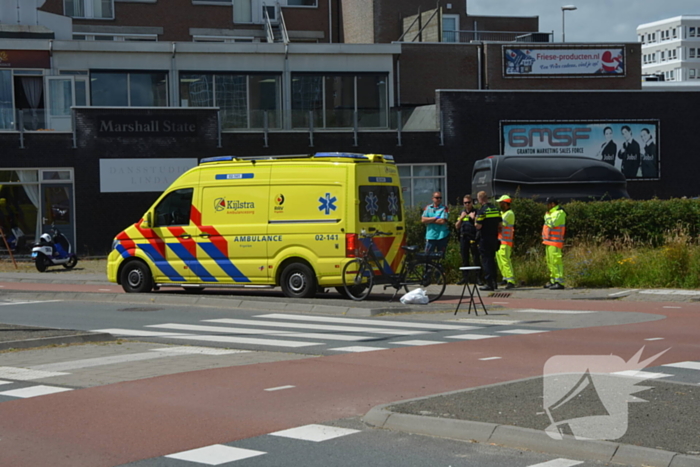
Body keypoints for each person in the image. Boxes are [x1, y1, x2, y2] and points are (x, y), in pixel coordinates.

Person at [475, 191, 502, 291]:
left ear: (480, 199)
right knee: (492, 260)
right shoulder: (496, 209)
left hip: (484, 238)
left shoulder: (482, 211)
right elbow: (500, 225)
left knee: (486, 261)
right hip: (494, 237)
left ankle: (489, 283)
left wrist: (475, 219)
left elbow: (478, 225)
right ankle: (494, 283)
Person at [455, 194, 482, 286]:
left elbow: (478, 225)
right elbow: (456, 226)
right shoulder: (461, 212)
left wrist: (473, 218)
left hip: (473, 237)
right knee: (464, 258)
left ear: (472, 202)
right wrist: (461, 218)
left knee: (475, 258)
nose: (467, 204)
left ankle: (478, 278)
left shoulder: (476, 211)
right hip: (463, 237)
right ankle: (465, 278)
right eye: (465, 203)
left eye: (468, 202)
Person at [542, 197, 567, 290]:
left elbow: (552, 223)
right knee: (550, 262)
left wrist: (546, 217)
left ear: (552, 204)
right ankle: (553, 280)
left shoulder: (559, 213)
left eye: (548, 204)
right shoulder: (551, 213)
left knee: (556, 262)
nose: (546, 206)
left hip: (555, 242)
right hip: (549, 241)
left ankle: (559, 282)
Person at [495, 195, 515, 289]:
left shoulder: (509, 214)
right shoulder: (503, 213)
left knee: (505, 260)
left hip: (506, 241)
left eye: (501, 203)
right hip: (500, 240)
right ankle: (505, 277)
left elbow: (500, 225)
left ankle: (511, 280)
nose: (499, 204)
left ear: (505, 203)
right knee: (500, 260)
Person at [421, 191, 449, 255]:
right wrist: (435, 218)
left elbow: (442, 221)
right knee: (427, 256)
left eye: (440, 198)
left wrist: (429, 220)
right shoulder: (427, 208)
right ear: (432, 198)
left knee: (440, 257)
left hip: (441, 236)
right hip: (430, 236)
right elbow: (423, 220)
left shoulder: (444, 208)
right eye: (437, 198)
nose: (439, 199)